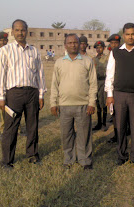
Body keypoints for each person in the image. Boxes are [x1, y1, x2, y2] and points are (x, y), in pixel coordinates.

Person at [0, 19, 47, 169]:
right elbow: (1, 75)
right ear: (12, 32)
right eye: (17, 30)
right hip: (14, 94)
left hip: (32, 93)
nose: (20, 33)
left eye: (22, 30)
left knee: (33, 126)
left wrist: (41, 95)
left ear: (27, 31)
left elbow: (40, 74)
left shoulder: (34, 51)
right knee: (10, 128)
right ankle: (7, 160)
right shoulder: (5, 50)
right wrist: (1, 96)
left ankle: (32, 154)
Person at [105, 23, 134, 170]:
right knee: (119, 126)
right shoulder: (115, 53)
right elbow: (110, 75)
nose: (130, 37)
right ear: (123, 35)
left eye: (133, 34)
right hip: (119, 95)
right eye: (127, 34)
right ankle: (121, 155)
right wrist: (109, 94)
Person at [50, 34, 97, 170]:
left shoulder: (87, 61)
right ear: (65, 45)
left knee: (84, 134)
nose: (73, 45)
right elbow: (54, 84)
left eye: (75, 42)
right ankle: (68, 159)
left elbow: (93, 84)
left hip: (83, 105)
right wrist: (53, 103)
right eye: (69, 43)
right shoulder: (59, 62)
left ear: (79, 44)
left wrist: (91, 103)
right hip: (64, 105)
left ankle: (85, 160)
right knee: (66, 135)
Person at [106, 34, 123, 143]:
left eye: (116, 43)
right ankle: (116, 134)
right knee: (115, 113)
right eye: (112, 43)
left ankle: (123, 134)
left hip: (122, 88)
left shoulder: (123, 53)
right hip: (113, 88)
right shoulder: (111, 55)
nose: (114, 45)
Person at [92, 41, 109, 131]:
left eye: (100, 47)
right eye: (97, 48)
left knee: (104, 102)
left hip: (104, 82)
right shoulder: (93, 59)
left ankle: (104, 123)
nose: (99, 49)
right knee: (97, 103)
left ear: (104, 48)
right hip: (96, 82)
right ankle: (98, 123)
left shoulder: (107, 58)